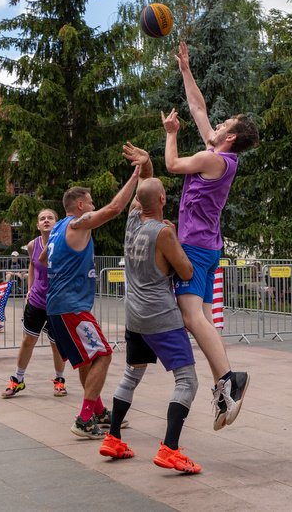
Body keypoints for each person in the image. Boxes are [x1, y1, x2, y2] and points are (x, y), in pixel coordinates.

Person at [164, 41, 259, 430]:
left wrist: (171, 133)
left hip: (194, 247)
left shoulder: (210, 157)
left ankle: (227, 381)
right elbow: (199, 109)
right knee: (202, 317)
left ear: (230, 137)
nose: (216, 125)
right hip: (209, 247)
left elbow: (171, 165)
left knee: (191, 316)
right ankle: (226, 385)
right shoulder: (224, 157)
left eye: (223, 126)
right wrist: (186, 69)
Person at [100, 146, 201, 473]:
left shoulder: (132, 219)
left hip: (134, 316)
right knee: (187, 381)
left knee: (132, 373)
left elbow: (146, 187)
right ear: (162, 201)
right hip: (161, 316)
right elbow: (185, 271)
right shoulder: (164, 232)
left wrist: (146, 166)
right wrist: (178, 246)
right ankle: (170, 449)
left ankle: (113, 437)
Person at [43, 156, 142, 439]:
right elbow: (115, 208)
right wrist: (135, 177)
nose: (94, 206)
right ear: (80, 206)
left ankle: (98, 411)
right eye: (90, 202)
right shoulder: (77, 224)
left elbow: (42, 257)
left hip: (57, 306)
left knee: (88, 360)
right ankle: (85, 419)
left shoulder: (58, 228)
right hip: (71, 306)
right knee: (104, 354)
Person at [1, 209, 68, 399]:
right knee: (28, 340)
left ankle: (59, 380)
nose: (46, 221)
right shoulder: (33, 245)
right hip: (37, 300)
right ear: (37, 225)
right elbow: (32, 264)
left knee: (56, 344)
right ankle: (17, 380)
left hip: (57, 303)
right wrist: (30, 288)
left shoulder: (64, 244)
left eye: (50, 218)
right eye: (42, 219)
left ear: (56, 223)